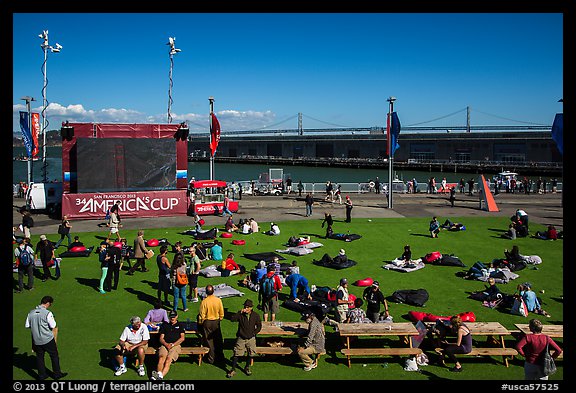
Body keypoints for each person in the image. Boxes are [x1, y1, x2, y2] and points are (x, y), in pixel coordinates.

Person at [25, 295, 67, 380]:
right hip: (48, 339)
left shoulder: (31, 313)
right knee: (54, 355)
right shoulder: (48, 313)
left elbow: (27, 325)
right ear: (47, 303)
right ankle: (57, 374)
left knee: (40, 357)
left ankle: (42, 375)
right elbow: (53, 325)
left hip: (36, 340)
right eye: (50, 304)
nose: (49, 306)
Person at [227, 299, 262, 378]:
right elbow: (232, 319)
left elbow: (259, 326)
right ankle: (233, 369)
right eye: (245, 306)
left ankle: (247, 367)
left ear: (251, 308)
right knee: (236, 353)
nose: (246, 308)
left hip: (251, 338)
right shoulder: (241, 315)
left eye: (248, 307)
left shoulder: (255, 315)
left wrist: (254, 333)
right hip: (241, 337)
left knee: (251, 353)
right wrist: (239, 312)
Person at [150, 310, 186, 380]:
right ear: (169, 317)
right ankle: (159, 375)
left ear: (177, 317)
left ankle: (160, 376)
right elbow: (161, 338)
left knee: (168, 360)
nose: (172, 318)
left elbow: (182, 338)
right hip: (165, 345)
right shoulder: (164, 325)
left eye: (174, 317)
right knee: (161, 358)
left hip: (176, 346)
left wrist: (172, 345)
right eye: (171, 317)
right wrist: (166, 344)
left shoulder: (180, 325)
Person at [198, 284, 225, 364]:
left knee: (209, 341)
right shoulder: (218, 300)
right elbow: (221, 312)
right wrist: (220, 318)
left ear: (206, 292)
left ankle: (211, 358)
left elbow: (202, 315)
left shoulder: (204, 302)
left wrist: (200, 323)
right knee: (218, 339)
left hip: (207, 322)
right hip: (216, 321)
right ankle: (220, 357)